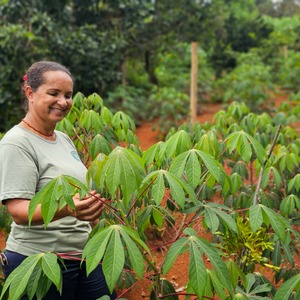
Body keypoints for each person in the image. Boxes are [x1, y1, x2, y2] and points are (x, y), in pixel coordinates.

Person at [0, 61, 117, 299]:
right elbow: (19, 211)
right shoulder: (17, 142)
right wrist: (69, 210)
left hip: (85, 256)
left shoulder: (63, 138)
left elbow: (76, 193)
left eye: (68, 95)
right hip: (39, 260)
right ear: (30, 93)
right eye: (53, 93)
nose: (63, 102)